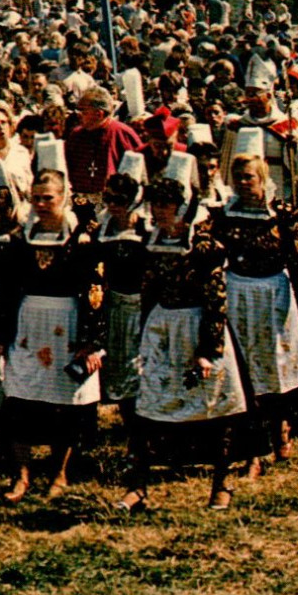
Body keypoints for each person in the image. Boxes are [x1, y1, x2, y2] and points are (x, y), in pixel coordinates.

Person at [127, 156, 247, 512]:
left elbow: (217, 300)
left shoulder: (204, 247)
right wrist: (143, 336)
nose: (161, 211)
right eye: (157, 204)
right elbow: (147, 291)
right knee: (150, 406)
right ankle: (138, 486)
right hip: (161, 330)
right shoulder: (150, 242)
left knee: (216, 409)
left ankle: (221, 485)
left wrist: (208, 349)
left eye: (168, 204)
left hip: (196, 330)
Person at [0, 162, 106, 503]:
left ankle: (59, 473)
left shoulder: (82, 241)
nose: (42, 204)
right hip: (28, 324)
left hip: (67, 323)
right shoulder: (19, 240)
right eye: (36, 198)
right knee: (19, 399)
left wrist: (91, 342)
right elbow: (7, 289)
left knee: (65, 402)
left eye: (49, 198)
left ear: (64, 197)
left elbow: (96, 292)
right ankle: (21, 476)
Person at [209, 133, 298, 476]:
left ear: (263, 180)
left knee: (275, 366)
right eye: (239, 178)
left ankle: (281, 429)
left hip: (273, 296)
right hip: (239, 294)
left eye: (250, 178)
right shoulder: (226, 215)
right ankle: (252, 451)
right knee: (245, 371)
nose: (244, 184)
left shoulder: (282, 215)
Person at [93, 156, 152, 418]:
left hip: (140, 308)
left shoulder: (146, 230)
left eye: (121, 200)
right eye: (109, 199)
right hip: (112, 306)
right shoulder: (102, 228)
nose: (114, 205)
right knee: (116, 365)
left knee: (138, 366)